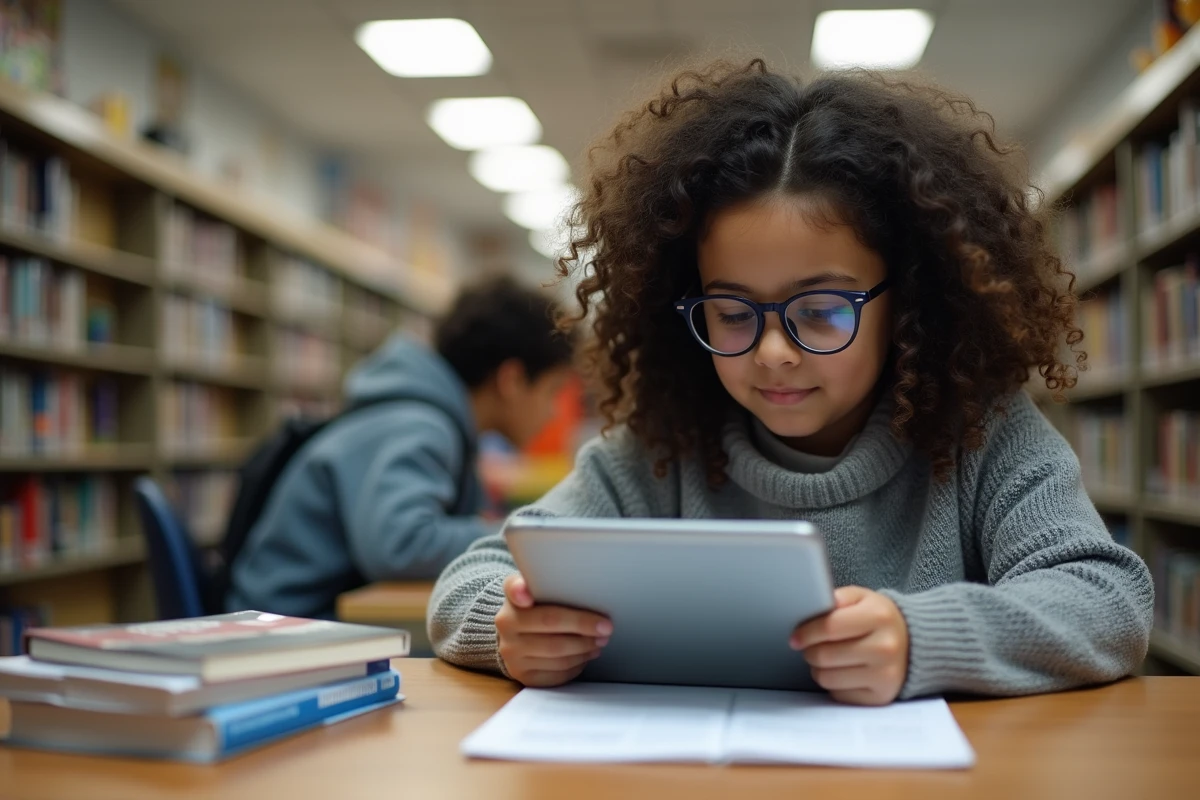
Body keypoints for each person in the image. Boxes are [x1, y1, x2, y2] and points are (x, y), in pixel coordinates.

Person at [427, 61, 1155, 705]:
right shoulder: (658, 447)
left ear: (906, 302)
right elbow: (471, 579)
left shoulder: (983, 434)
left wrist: (919, 637)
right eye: (732, 312)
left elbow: (1107, 599)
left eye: (821, 309)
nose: (773, 352)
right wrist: (510, 627)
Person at [226, 276, 574, 619]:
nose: (554, 411)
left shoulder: (421, 415)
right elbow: (402, 546)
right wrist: (522, 535)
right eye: (553, 390)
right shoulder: (420, 425)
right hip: (280, 630)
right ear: (511, 380)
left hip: (297, 618)